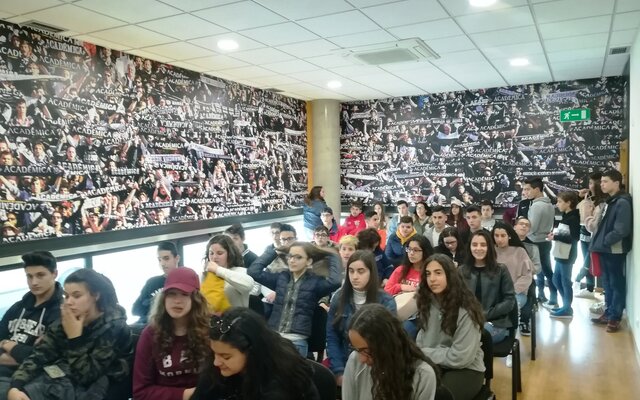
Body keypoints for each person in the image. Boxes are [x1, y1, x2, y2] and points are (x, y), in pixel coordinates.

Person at [6, 269, 133, 400]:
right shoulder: (66, 320)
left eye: (76, 296)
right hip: (63, 379)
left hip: (103, 385)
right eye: (66, 296)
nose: (69, 302)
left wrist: (74, 338)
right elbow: (39, 355)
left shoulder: (115, 327)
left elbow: (87, 376)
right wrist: (15, 386)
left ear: (96, 295)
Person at [190, 307, 320, 400]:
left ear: (251, 352)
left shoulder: (279, 382)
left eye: (226, 357)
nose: (216, 362)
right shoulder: (219, 366)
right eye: (214, 353)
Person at [248, 241, 341, 356]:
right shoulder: (281, 278)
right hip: (274, 339)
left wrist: (332, 255)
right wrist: (273, 252)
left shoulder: (315, 283)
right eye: (290, 256)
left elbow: (335, 281)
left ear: (309, 261)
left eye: (298, 257)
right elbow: (253, 272)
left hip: (297, 342)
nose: (292, 260)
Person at [133, 268, 210, 400]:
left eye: (184, 294)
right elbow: (140, 391)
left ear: (195, 299)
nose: (177, 301)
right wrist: (187, 395)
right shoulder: (150, 334)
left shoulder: (209, 329)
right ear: (163, 298)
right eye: (171, 294)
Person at [416, 254, 485, 400]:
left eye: (438, 273)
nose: (432, 279)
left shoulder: (466, 310)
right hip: (434, 363)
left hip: (467, 369)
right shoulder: (426, 303)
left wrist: (425, 353)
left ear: (450, 276)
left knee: (439, 396)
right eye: (428, 274)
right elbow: (421, 340)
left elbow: (460, 358)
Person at [326, 251, 396, 385]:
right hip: (344, 361)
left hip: (374, 365)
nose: (355, 276)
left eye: (361, 271)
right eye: (351, 271)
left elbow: (387, 342)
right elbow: (332, 336)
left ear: (371, 272)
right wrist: (339, 370)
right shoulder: (338, 298)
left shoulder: (386, 301)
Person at [342, 304, 438, 400]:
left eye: (367, 350)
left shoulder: (423, 375)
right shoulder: (354, 361)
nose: (361, 359)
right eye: (357, 350)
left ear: (386, 343)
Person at [0, 252, 63, 379]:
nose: (34, 282)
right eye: (29, 276)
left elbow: (46, 358)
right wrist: (20, 352)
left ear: (54, 274)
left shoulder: (63, 311)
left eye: (40, 275)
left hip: (30, 379)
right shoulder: (18, 307)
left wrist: (6, 344)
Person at [589, 169, 632, 333]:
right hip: (605, 249)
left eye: (605, 181)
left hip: (614, 249)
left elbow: (621, 230)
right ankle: (609, 312)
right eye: (601, 181)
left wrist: (605, 241)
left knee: (615, 283)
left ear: (617, 183)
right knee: (607, 282)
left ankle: (615, 317)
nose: (602, 184)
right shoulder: (611, 201)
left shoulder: (622, 202)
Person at [459, 230, 516, 343]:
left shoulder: (501, 270)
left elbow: (509, 301)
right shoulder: (461, 271)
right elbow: (456, 299)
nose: (478, 248)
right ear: (469, 247)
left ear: (489, 247)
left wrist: (484, 315)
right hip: (468, 321)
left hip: (495, 323)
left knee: (476, 336)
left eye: (483, 245)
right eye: (474, 244)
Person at [385, 234, 433, 339]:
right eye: (409, 249)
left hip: (421, 314)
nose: (411, 253)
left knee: (405, 330)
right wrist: (401, 287)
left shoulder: (430, 272)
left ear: (425, 251)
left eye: (416, 250)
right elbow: (386, 293)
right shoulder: (401, 270)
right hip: (398, 311)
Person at [201, 235, 255, 314]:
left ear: (229, 254)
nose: (214, 257)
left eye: (220, 253)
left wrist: (217, 270)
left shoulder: (240, 271)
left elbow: (249, 285)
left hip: (236, 319)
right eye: (211, 253)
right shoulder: (205, 275)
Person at [547, 192, 580, 318]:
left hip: (568, 254)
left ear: (569, 203)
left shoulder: (573, 218)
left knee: (565, 281)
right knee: (556, 279)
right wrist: (556, 235)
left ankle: (567, 308)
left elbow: (574, 237)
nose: (558, 204)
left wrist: (555, 237)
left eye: (560, 202)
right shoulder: (566, 216)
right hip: (561, 253)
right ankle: (566, 305)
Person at [524, 177, 556, 305]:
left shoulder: (537, 206)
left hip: (535, 242)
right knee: (546, 270)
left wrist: (523, 233)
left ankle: (542, 297)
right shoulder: (549, 204)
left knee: (539, 270)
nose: (526, 193)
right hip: (545, 241)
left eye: (528, 189)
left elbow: (532, 227)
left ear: (537, 189)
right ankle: (548, 297)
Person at [492, 221, 533, 319]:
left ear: (509, 236)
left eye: (503, 236)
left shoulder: (520, 251)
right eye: (496, 236)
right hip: (493, 293)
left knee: (506, 308)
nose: (499, 239)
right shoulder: (490, 251)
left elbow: (527, 277)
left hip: (517, 293)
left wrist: (509, 292)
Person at [133, 241, 181, 325]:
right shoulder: (152, 282)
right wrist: (154, 303)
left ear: (177, 258)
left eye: (166, 258)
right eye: (159, 259)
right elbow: (135, 310)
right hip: (149, 324)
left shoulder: (185, 281)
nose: (162, 263)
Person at [574, 172, 606, 298]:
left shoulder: (602, 201)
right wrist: (580, 198)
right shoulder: (587, 197)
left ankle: (577, 280)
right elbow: (578, 212)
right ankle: (589, 288)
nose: (590, 186)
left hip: (594, 234)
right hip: (583, 232)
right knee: (586, 259)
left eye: (593, 183)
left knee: (589, 262)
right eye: (590, 183)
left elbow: (594, 219)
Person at [512, 217, 541, 335]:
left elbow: (537, 267)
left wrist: (526, 270)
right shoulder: (507, 244)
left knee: (530, 291)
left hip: (525, 279)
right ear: (515, 227)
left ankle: (524, 320)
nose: (524, 226)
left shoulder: (533, 247)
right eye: (521, 224)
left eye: (527, 225)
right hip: (507, 278)